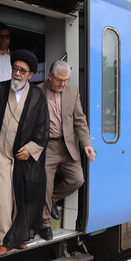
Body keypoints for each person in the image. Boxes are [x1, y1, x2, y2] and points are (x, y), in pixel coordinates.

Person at [0, 49, 50, 256]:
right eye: (15, 69)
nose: (17, 74)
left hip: (23, 158)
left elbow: (43, 128)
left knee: (20, 198)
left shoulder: (37, 96)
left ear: (30, 75)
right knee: (1, 197)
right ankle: (3, 239)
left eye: (22, 71)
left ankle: (17, 236)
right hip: (1, 154)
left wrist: (31, 149)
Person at [37, 60, 95, 241]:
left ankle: (52, 200)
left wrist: (86, 143)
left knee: (77, 179)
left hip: (68, 145)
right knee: (45, 183)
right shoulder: (37, 91)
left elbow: (80, 119)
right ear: (50, 76)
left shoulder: (73, 91)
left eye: (66, 80)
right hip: (47, 146)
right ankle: (44, 223)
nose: (63, 84)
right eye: (60, 80)